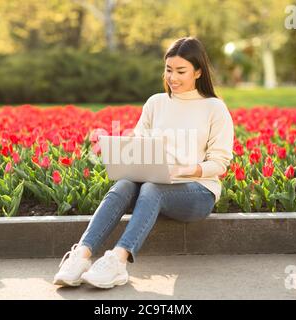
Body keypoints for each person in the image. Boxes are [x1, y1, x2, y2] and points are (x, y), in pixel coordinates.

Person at [53, 36, 234, 289]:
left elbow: (220, 162)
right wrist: (119, 150)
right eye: (169, 70)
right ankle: (81, 256)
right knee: (125, 185)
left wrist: (185, 169)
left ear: (198, 71)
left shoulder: (214, 108)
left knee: (151, 188)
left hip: (198, 190)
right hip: (155, 180)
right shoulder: (155, 103)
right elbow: (139, 143)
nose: (173, 77)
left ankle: (118, 260)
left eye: (181, 71)